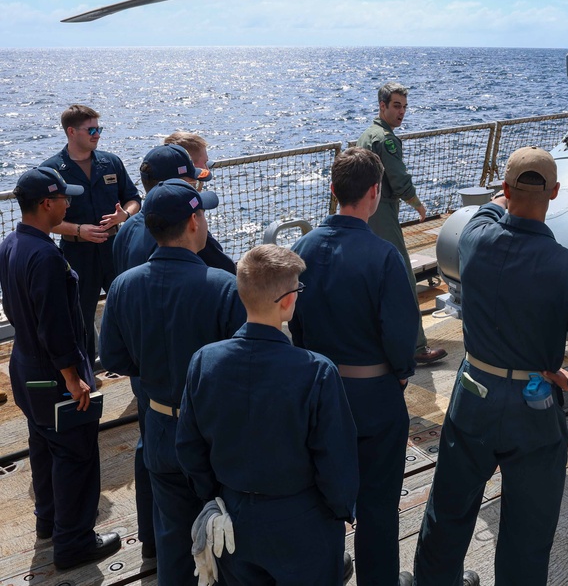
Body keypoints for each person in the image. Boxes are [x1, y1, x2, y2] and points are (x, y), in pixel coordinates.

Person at [412, 146, 568, 586]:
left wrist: (507, 192)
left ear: (505, 189)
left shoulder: (475, 237)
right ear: (556, 193)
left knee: (448, 510)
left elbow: (489, 209)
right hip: (534, 403)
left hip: (474, 392)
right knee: (528, 530)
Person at [176, 244, 360, 585]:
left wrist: (214, 496)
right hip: (302, 518)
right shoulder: (317, 372)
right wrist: (341, 510)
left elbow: (188, 445)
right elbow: (336, 459)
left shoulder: (203, 361)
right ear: (288, 301)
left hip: (233, 518)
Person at [100, 179, 246, 586]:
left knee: (172, 539)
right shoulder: (223, 287)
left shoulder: (123, 286)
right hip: (213, 434)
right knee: (227, 531)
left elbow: (113, 359)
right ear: (194, 222)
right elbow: (243, 367)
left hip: (160, 428)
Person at [289, 147, 419, 586]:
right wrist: (400, 373)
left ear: (333, 189)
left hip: (318, 394)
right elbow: (401, 336)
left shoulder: (301, 249)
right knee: (378, 505)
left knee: (323, 497)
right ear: (375, 192)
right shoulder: (384, 256)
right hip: (375, 399)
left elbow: (295, 326)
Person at [0, 167, 121, 569]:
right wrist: (73, 377)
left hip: (24, 367)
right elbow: (55, 327)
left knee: (43, 446)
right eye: (64, 198)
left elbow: (16, 309)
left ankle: (48, 523)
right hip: (54, 376)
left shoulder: (11, 243)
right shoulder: (48, 257)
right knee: (76, 455)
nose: (69, 204)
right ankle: (74, 544)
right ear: (46, 203)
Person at [41, 104, 141, 368]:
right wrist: (78, 230)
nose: (98, 135)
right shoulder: (52, 170)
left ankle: (135, 363)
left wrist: (124, 215)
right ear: (71, 132)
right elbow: (44, 219)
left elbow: (133, 199)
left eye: (99, 129)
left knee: (129, 306)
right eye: (92, 130)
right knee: (80, 317)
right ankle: (86, 371)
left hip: (114, 248)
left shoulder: (111, 162)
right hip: (78, 254)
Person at [357, 82, 446, 364]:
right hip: (382, 213)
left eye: (405, 107)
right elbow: (398, 178)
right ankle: (417, 347)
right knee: (403, 277)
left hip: (363, 213)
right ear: (382, 106)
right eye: (396, 106)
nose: (402, 112)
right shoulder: (387, 140)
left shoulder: (366, 136)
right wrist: (417, 203)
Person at [113, 143, 234, 275]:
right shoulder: (187, 233)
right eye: (193, 185)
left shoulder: (125, 230)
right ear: (174, 186)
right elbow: (229, 274)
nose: (197, 190)